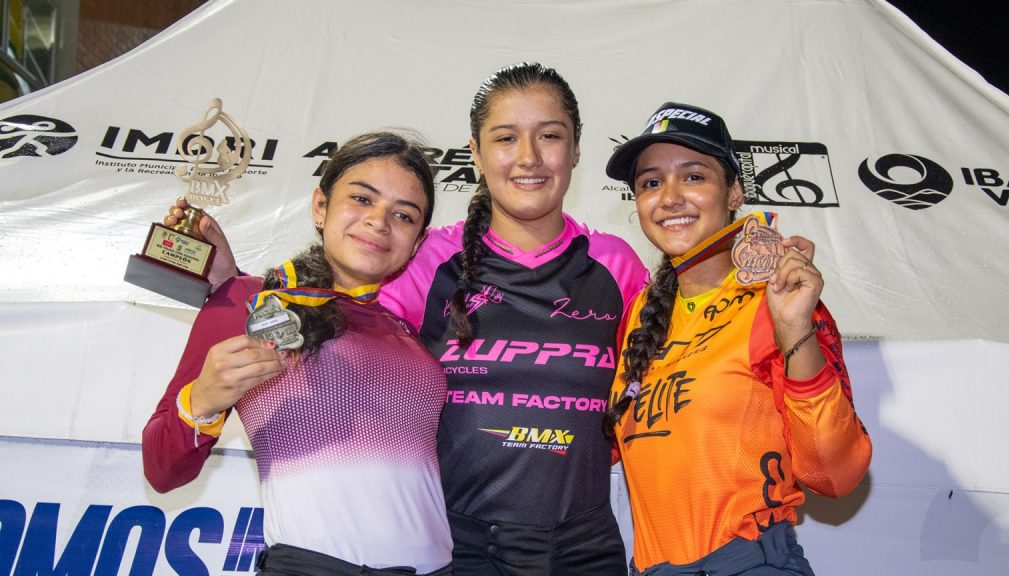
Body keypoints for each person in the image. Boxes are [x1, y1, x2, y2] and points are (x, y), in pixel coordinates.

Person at [171, 63, 648, 575]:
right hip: (459, 548)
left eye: (549, 136)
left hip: (584, 547)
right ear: (476, 153)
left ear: (576, 150)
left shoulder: (616, 264)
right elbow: (336, 307)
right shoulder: (427, 258)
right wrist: (238, 286)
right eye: (506, 138)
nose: (528, 157)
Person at [142, 132, 454, 576]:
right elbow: (162, 471)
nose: (379, 222)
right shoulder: (248, 301)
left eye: (403, 215)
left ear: (418, 241)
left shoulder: (408, 329)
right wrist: (202, 401)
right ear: (320, 206)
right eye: (362, 199)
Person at [603, 102, 873, 576]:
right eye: (651, 183)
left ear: (734, 193)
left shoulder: (777, 300)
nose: (670, 197)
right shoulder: (641, 313)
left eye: (693, 176)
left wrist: (794, 329)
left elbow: (835, 474)